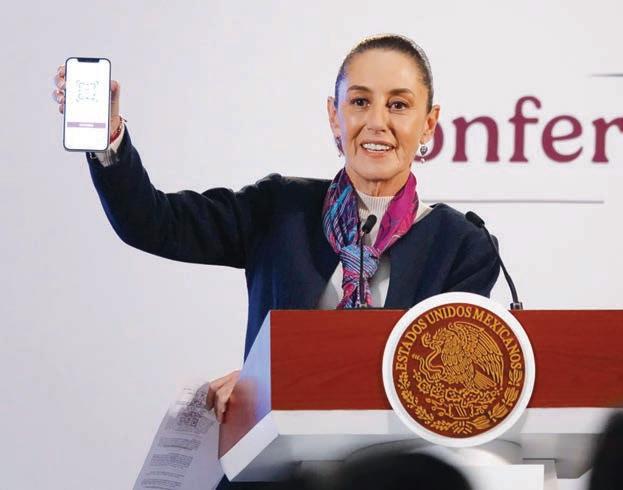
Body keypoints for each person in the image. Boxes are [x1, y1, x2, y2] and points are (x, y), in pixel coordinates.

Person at [53, 34, 500, 488]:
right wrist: (108, 139)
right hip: (269, 475)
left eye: (399, 105)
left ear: (429, 124)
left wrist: (271, 385)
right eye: (360, 102)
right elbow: (154, 222)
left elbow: (444, 384)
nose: (377, 122)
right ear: (335, 116)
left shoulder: (462, 245)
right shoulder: (280, 208)